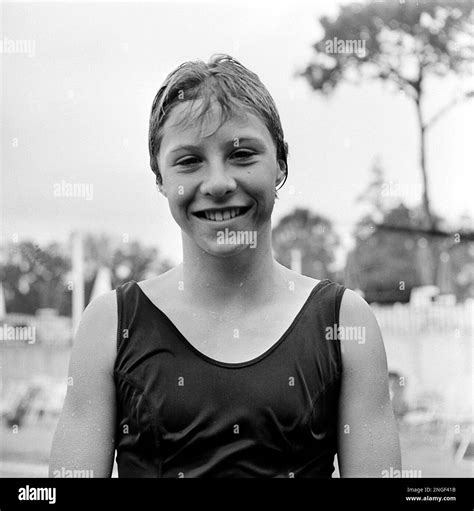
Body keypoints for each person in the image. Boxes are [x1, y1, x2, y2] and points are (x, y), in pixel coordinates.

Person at [49, 54, 401, 478]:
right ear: (159, 177)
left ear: (281, 165)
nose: (217, 183)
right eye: (189, 161)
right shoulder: (110, 324)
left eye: (242, 155)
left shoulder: (344, 322)